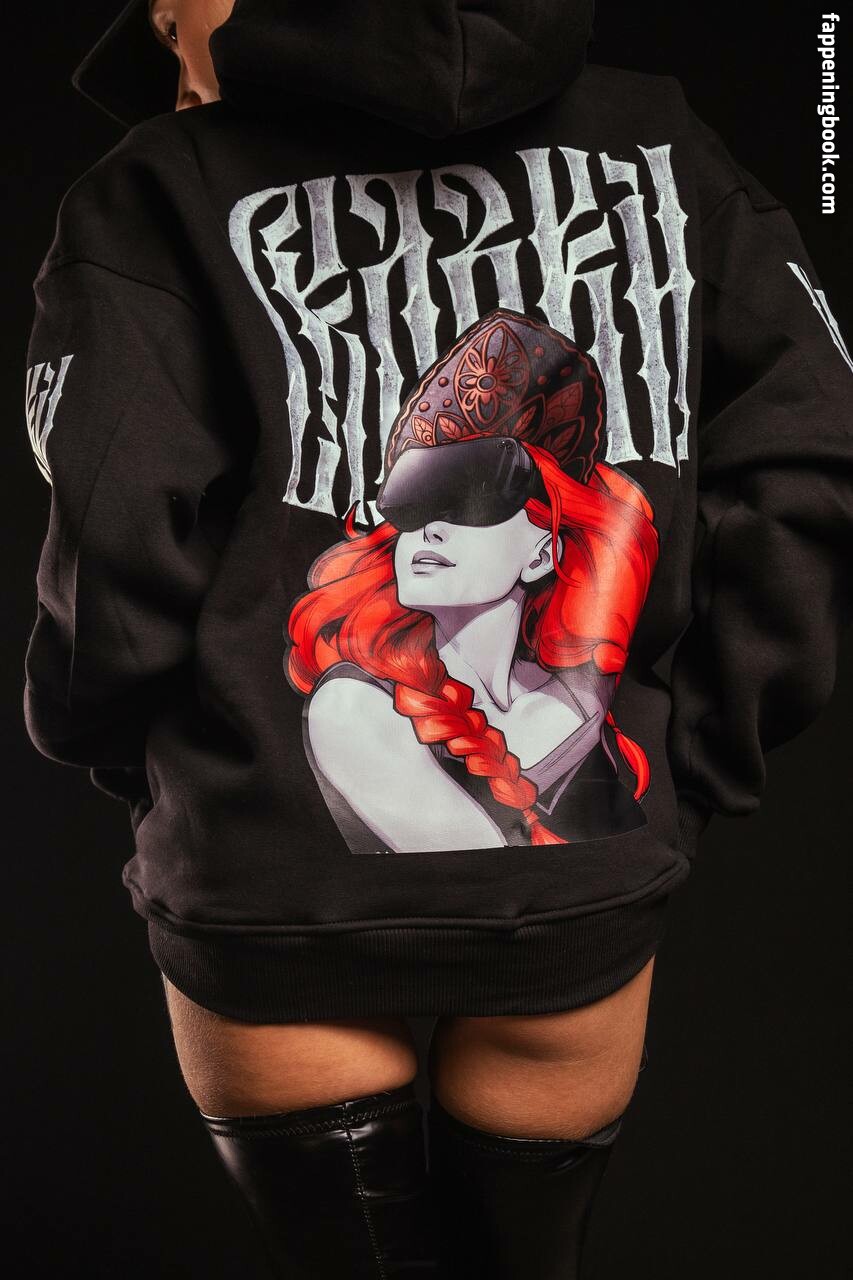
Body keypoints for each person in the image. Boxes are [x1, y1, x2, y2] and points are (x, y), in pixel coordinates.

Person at [22, 2, 853, 1277]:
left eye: (168, 11)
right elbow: (813, 449)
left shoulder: (154, 187)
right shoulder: (661, 142)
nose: (163, 41)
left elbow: (112, 511)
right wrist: (704, 749)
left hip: (265, 887)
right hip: (571, 895)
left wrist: (144, 760)